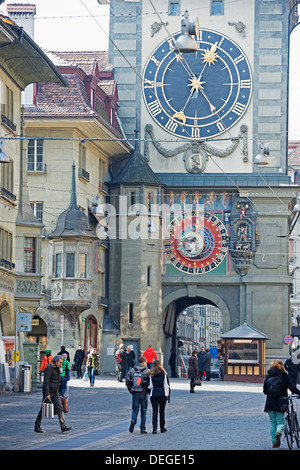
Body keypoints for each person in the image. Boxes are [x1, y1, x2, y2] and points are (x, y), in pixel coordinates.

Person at [263, 359, 300, 448]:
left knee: (272, 422)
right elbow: (292, 388)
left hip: (270, 403)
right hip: (281, 403)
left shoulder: (269, 376)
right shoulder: (284, 376)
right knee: (280, 422)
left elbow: (265, 391)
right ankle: (279, 432)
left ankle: (274, 443)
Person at [34, 355, 72, 434]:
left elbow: (58, 380)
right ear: (56, 361)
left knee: (60, 408)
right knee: (43, 410)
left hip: (55, 392)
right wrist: (47, 393)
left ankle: (63, 426)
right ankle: (37, 426)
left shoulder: (58, 368)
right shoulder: (49, 368)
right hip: (48, 392)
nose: (61, 364)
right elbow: (46, 382)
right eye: (60, 362)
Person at [126, 357, 150, 434]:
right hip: (143, 393)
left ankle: (133, 420)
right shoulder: (146, 371)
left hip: (135, 393)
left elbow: (127, 380)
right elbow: (150, 382)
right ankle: (142, 429)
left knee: (135, 409)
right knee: (143, 411)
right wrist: (148, 391)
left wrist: (130, 390)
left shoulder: (132, 370)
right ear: (144, 362)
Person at [148, 360, 170, 434]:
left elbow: (150, 386)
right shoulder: (164, 375)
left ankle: (154, 429)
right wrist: (168, 396)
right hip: (162, 394)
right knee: (162, 411)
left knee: (154, 411)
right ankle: (162, 428)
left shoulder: (151, 375)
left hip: (154, 394)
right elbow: (166, 386)